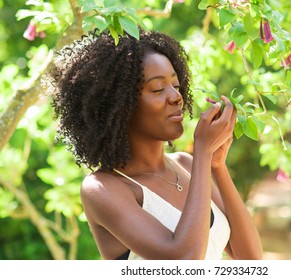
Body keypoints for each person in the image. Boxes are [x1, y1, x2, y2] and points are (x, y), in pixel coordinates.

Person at [47, 28, 263, 260]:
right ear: (120, 107)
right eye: (158, 89)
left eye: (176, 86)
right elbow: (184, 264)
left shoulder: (187, 166)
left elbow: (250, 259)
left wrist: (217, 165)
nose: (176, 97)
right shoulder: (103, 189)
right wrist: (202, 153)